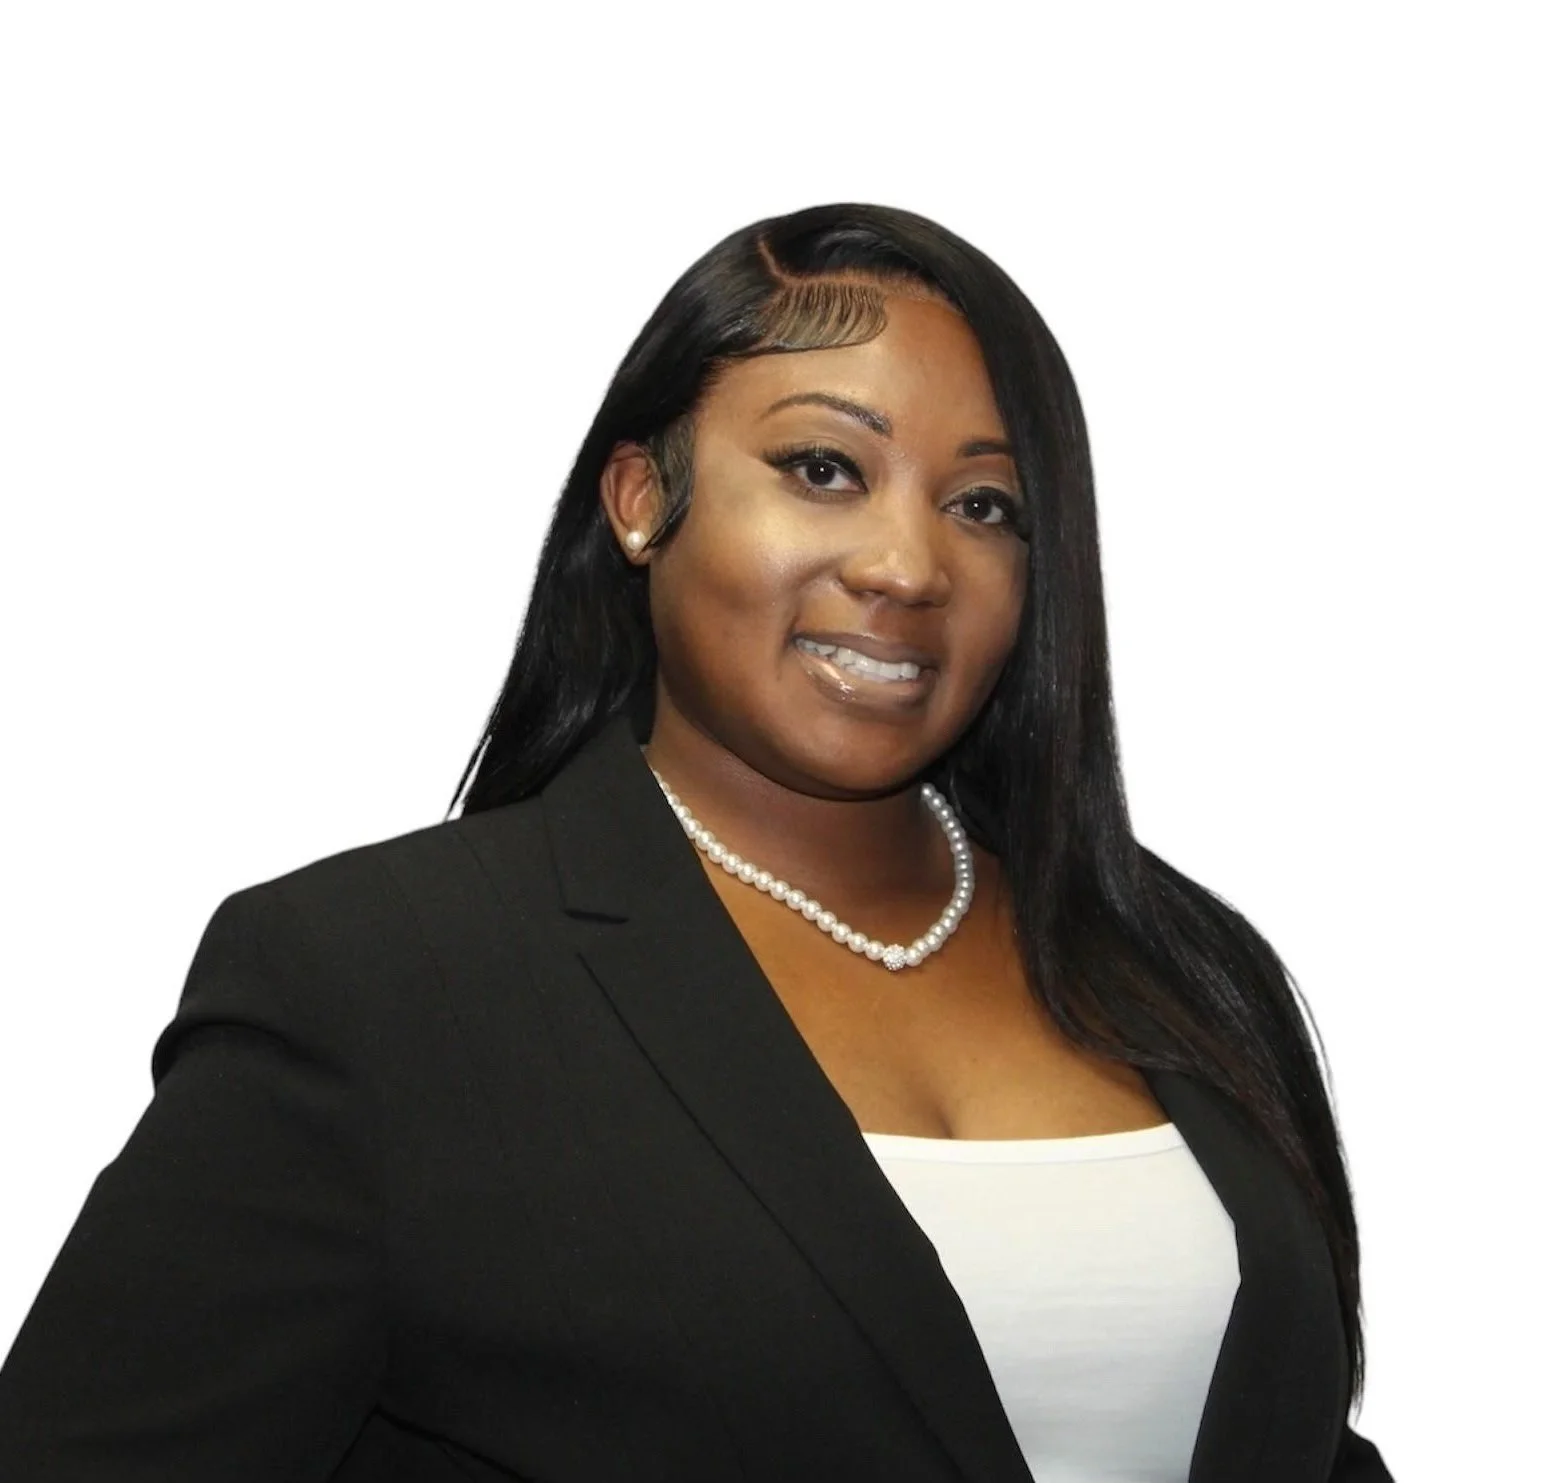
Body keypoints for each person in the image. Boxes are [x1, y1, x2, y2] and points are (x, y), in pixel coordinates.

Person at [0, 202, 1394, 1482]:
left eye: (984, 505)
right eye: (824, 468)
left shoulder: (1181, 966)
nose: (908, 565)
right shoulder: (377, 984)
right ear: (640, 498)